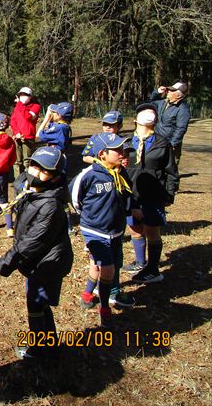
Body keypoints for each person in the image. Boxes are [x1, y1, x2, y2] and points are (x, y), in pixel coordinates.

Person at [0, 147, 73, 360]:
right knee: (39, 301)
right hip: (36, 263)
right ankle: (50, 344)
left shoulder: (51, 205)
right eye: (34, 166)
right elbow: (21, 181)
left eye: (44, 171)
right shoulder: (33, 189)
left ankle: (39, 350)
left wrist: (7, 261)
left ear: (56, 177)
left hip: (47, 263)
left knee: (36, 303)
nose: (35, 173)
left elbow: (34, 241)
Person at [70, 133, 135, 328]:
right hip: (95, 230)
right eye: (118, 150)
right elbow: (75, 199)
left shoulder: (121, 172)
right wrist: (91, 218)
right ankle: (104, 308)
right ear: (102, 154)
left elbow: (127, 195)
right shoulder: (89, 175)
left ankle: (88, 294)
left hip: (115, 229)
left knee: (95, 264)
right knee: (108, 268)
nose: (123, 153)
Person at [121, 104, 179, 284]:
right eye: (142, 111)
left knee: (152, 231)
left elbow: (171, 171)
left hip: (153, 194)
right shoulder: (127, 143)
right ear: (135, 119)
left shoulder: (163, 143)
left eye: (151, 111)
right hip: (132, 193)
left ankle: (153, 270)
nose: (147, 113)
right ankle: (140, 262)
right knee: (135, 228)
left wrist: (169, 194)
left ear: (155, 120)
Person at [149, 81, 191, 165]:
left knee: (170, 169)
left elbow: (181, 129)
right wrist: (156, 92)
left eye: (172, 90)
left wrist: (172, 144)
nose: (168, 91)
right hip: (157, 141)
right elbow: (151, 103)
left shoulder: (182, 110)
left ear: (178, 95)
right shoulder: (163, 102)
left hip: (170, 144)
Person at [10, 86, 41, 177]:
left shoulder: (36, 107)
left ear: (31, 96)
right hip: (17, 137)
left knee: (27, 162)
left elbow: (28, 117)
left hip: (28, 138)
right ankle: (18, 183)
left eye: (25, 95)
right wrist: (17, 133)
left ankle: (28, 183)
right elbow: (13, 121)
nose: (23, 96)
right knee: (17, 162)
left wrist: (19, 104)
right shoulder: (18, 107)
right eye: (21, 94)